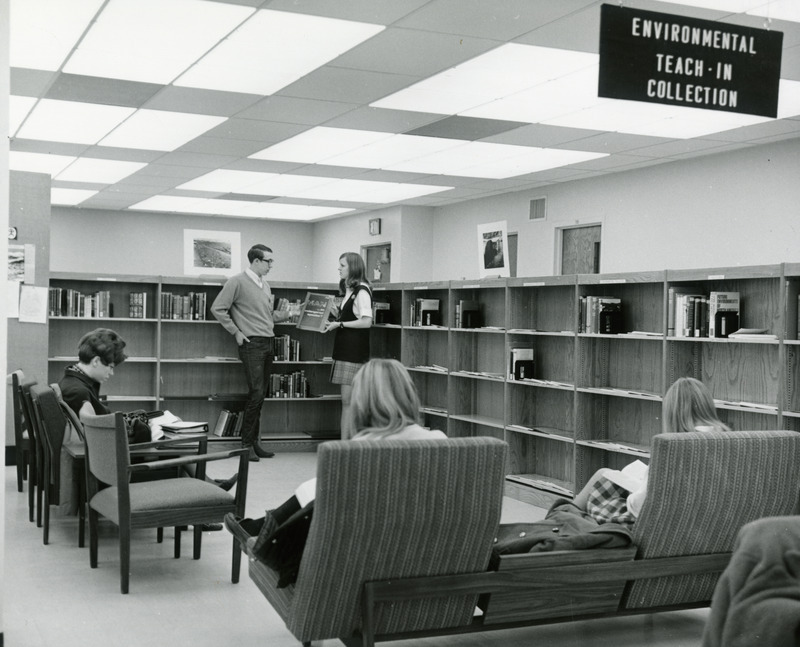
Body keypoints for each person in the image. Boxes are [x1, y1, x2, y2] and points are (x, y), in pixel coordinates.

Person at [223, 359, 446, 586]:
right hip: (429, 557)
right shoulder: (441, 442)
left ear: (363, 401)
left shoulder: (358, 451)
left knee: (317, 493)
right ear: (409, 393)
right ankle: (263, 529)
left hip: (363, 566)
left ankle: (265, 534)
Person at [60, 328, 237, 504]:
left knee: (170, 439)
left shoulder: (76, 382)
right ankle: (205, 499)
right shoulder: (79, 392)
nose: (112, 373)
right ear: (97, 361)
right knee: (174, 447)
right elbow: (96, 433)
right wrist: (138, 428)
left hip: (108, 452)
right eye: (111, 367)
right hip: (110, 461)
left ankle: (208, 488)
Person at [572, 377, 729, 527]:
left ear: (672, 412)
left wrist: (632, 494)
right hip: (701, 520)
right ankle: (564, 516)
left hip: (652, 523)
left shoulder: (674, 447)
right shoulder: (728, 440)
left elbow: (639, 506)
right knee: (605, 473)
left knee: (601, 480)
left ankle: (561, 518)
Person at [211, 244, 293, 461]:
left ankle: (253, 443)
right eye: (268, 261)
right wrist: (236, 332)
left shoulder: (265, 285)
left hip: (268, 342)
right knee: (256, 394)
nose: (271, 265)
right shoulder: (236, 281)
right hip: (252, 344)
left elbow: (267, 316)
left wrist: (290, 313)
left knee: (260, 395)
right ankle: (245, 445)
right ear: (256, 261)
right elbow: (217, 308)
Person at [322, 252, 373, 439]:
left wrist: (340, 324)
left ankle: (346, 444)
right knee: (347, 401)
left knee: (348, 401)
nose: (339, 269)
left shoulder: (362, 290)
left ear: (353, 267)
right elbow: (351, 316)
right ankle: (346, 442)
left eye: (342, 265)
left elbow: (366, 321)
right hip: (345, 350)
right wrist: (336, 314)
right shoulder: (350, 290)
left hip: (353, 351)